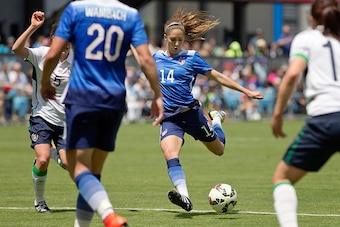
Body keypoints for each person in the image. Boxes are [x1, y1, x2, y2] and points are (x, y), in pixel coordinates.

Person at [40, 1, 164, 227]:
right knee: (93, 173)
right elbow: (146, 59)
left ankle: (108, 215)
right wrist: (157, 94)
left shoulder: (76, 9)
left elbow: (52, 54)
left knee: (78, 170)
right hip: (114, 99)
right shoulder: (130, 14)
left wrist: (44, 82)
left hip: (82, 97)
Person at [154, 8, 264, 211]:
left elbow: (218, 76)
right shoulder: (155, 58)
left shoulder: (191, 58)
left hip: (192, 115)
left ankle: (216, 120)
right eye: (173, 40)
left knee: (219, 150)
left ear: (185, 38)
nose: (177, 44)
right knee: (169, 153)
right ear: (165, 38)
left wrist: (245, 90)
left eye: (180, 40)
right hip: (170, 118)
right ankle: (184, 197)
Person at [270, 1, 340, 226]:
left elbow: (292, 75)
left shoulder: (306, 38)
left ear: (311, 17)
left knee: (282, 178)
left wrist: (278, 114)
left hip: (325, 117)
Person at [11, 11, 72, 213]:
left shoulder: (76, 60)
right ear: (54, 39)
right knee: (42, 160)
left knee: (69, 165)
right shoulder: (41, 54)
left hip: (65, 122)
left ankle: (54, 153)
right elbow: (16, 49)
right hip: (42, 116)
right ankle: (40, 201)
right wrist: (33, 27)